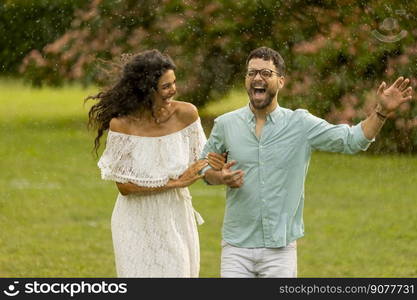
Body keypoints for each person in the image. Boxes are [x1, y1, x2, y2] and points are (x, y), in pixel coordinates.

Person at [200, 46, 413, 278]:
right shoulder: (225, 125)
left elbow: (351, 141)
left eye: (265, 73)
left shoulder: (300, 124)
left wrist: (381, 112)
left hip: (279, 251)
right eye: (251, 73)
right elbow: (204, 167)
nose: (257, 78)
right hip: (236, 248)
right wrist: (219, 177)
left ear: (281, 81)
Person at [86, 49, 223, 277]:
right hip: (134, 222)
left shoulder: (187, 114)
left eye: (174, 83)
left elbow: (203, 162)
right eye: (165, 86)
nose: (173, 90)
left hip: (175, 216)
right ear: (145, 89)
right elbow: (125, 187)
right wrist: (175, 183)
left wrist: (222, 170)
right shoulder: (122, 125)